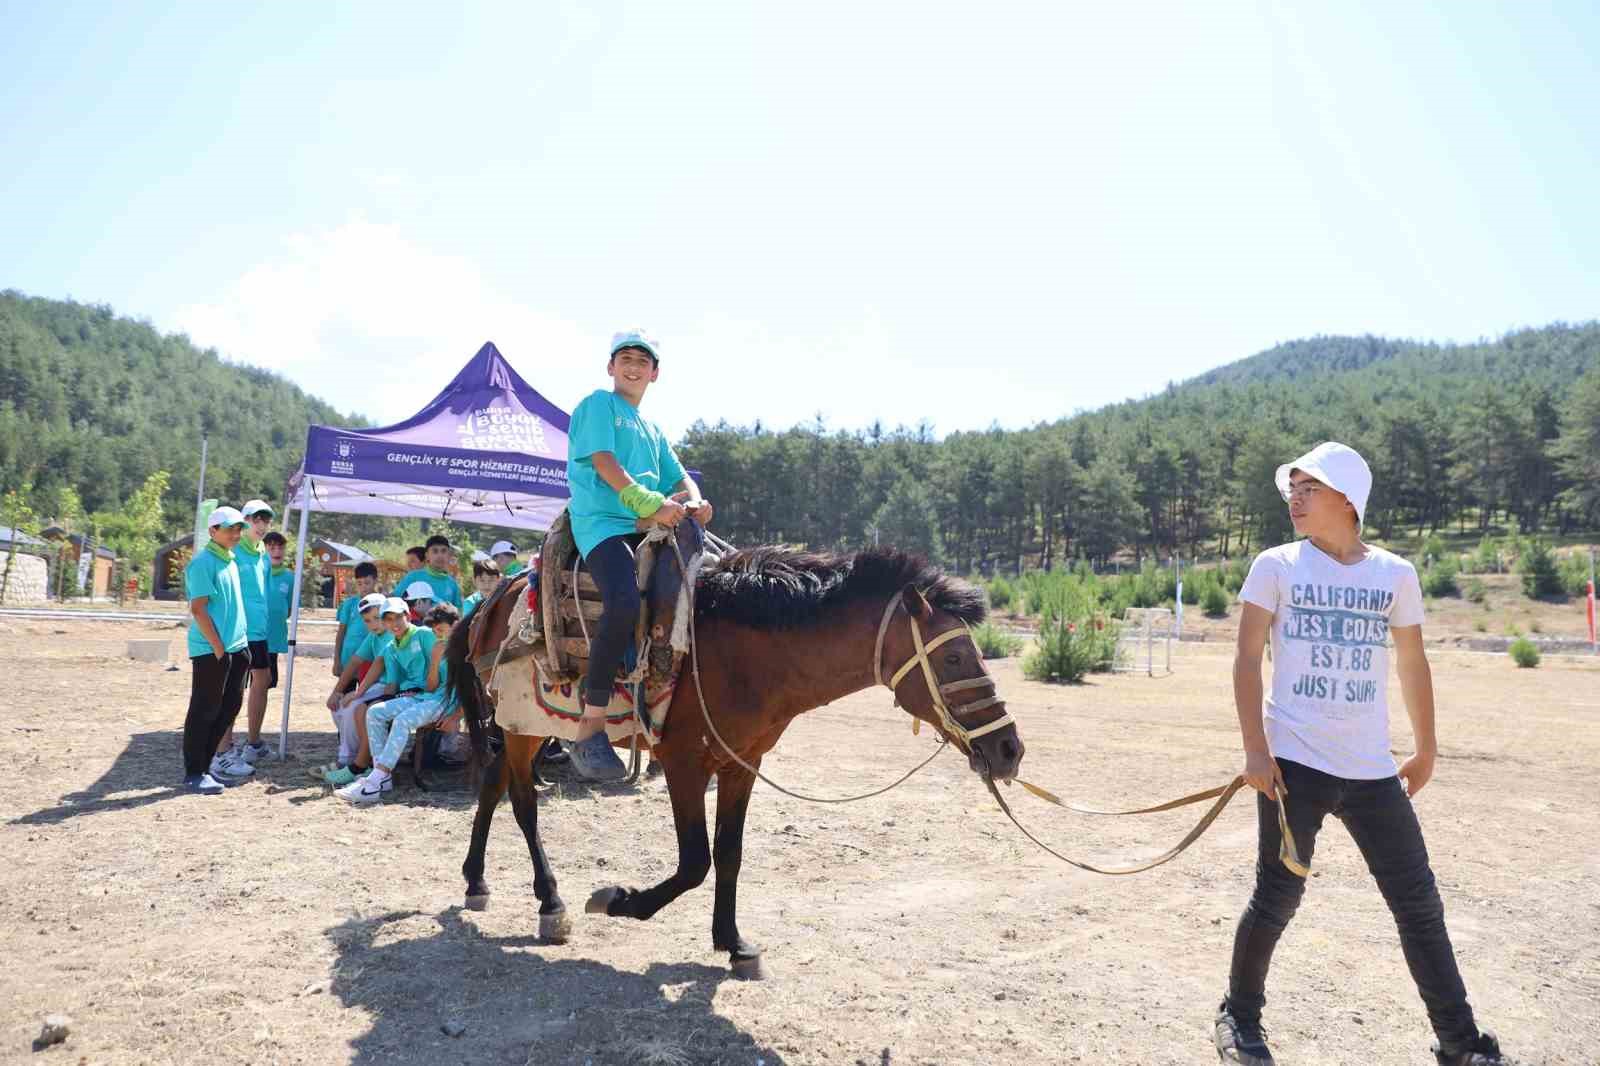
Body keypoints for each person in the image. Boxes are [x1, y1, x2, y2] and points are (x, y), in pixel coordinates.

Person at [1214, 442, 1512, 1066]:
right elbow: (1245, 658)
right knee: (1277, 896)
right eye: (1291, 488)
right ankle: (1239, 1021)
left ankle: (1460, 1043)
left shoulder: (1394, 575)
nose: (1294, 498)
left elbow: (1411, 660)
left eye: (1308, 488)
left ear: (1348, 499)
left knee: (1418, 905)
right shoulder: (1276, 565)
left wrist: (1426, 747)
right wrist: (1255, 749)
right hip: (1293, 766)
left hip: (1374, 770)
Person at [563, 328, 714, 780]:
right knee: (624, 600)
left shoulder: (653, 429)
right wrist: (653, 505)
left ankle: (673, 716)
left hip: (646, 526)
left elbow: (679, 474)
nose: (633, 366)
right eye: (625, 358)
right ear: (611, 367)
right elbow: (606, 465)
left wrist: (696, 499)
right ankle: (590, 725)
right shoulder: (597, 405)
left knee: (700, 597)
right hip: (603, 524)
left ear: (655, 373)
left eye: (642, 361)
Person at [336, 603, 462, 804]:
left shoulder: (465, 649)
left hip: (446, 702)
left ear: (456, 625)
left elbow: (473, 689)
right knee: (375, 712)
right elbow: (430, 686)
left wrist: (457, 716)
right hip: (428, 697)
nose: (437, 635)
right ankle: (382, 778)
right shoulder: (426, 645)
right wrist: (435, 661)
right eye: (436, 631)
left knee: (402, 720)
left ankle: (373, 782)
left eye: (440, 630)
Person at [180, 506, 252, 793]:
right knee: (204, 709)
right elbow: (198, 610)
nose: (236, 533)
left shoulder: (230, 560)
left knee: (230, 707)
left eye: (238, 529)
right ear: (213, 531)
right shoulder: (203, 563)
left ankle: (206, 765)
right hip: (212, 650)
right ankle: (194, 772)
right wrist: (219, 647)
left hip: (236, 647)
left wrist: (238, 644)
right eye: (229, 528)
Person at [223, 498, 278, 768]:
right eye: (255, 519)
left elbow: (264, 595)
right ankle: (225, 749)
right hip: (236, 631)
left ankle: (253, 743)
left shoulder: (262, 556)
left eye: (265, 519)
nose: (261, 524)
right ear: (243, 522)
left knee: (262, 681)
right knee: (233, 688)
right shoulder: (233, 553)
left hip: (258, 632)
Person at [316, 591, 389, 779]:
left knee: (353, 707)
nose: (373, 624)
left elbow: (379, 669)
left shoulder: (391, 635)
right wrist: (337, 691)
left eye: (377, 618)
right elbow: (354, 662)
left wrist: (357, 693)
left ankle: (351, 760)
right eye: (367, 621)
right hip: (377, 686)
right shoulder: (374, 636)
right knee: (338, 705)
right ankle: (351, 756)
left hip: (391, 688)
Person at [332, 561, 381, 679]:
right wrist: (337, 660)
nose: (363, 587)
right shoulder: (349, 604)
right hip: (347, 660)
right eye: (359, 583)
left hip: (372, 660)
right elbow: (341, 633)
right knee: (343, 694)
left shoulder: (383, 603)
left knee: (366, 695)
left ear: (375, 581)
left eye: (367, 583)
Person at [399, 533, 463, 610]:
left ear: (448, 555)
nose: (440, 555)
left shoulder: (452, 583)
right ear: (427, 556)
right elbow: (395, 602)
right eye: (435, 551)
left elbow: (458, 613)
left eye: (443, 551)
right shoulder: (413, 577)